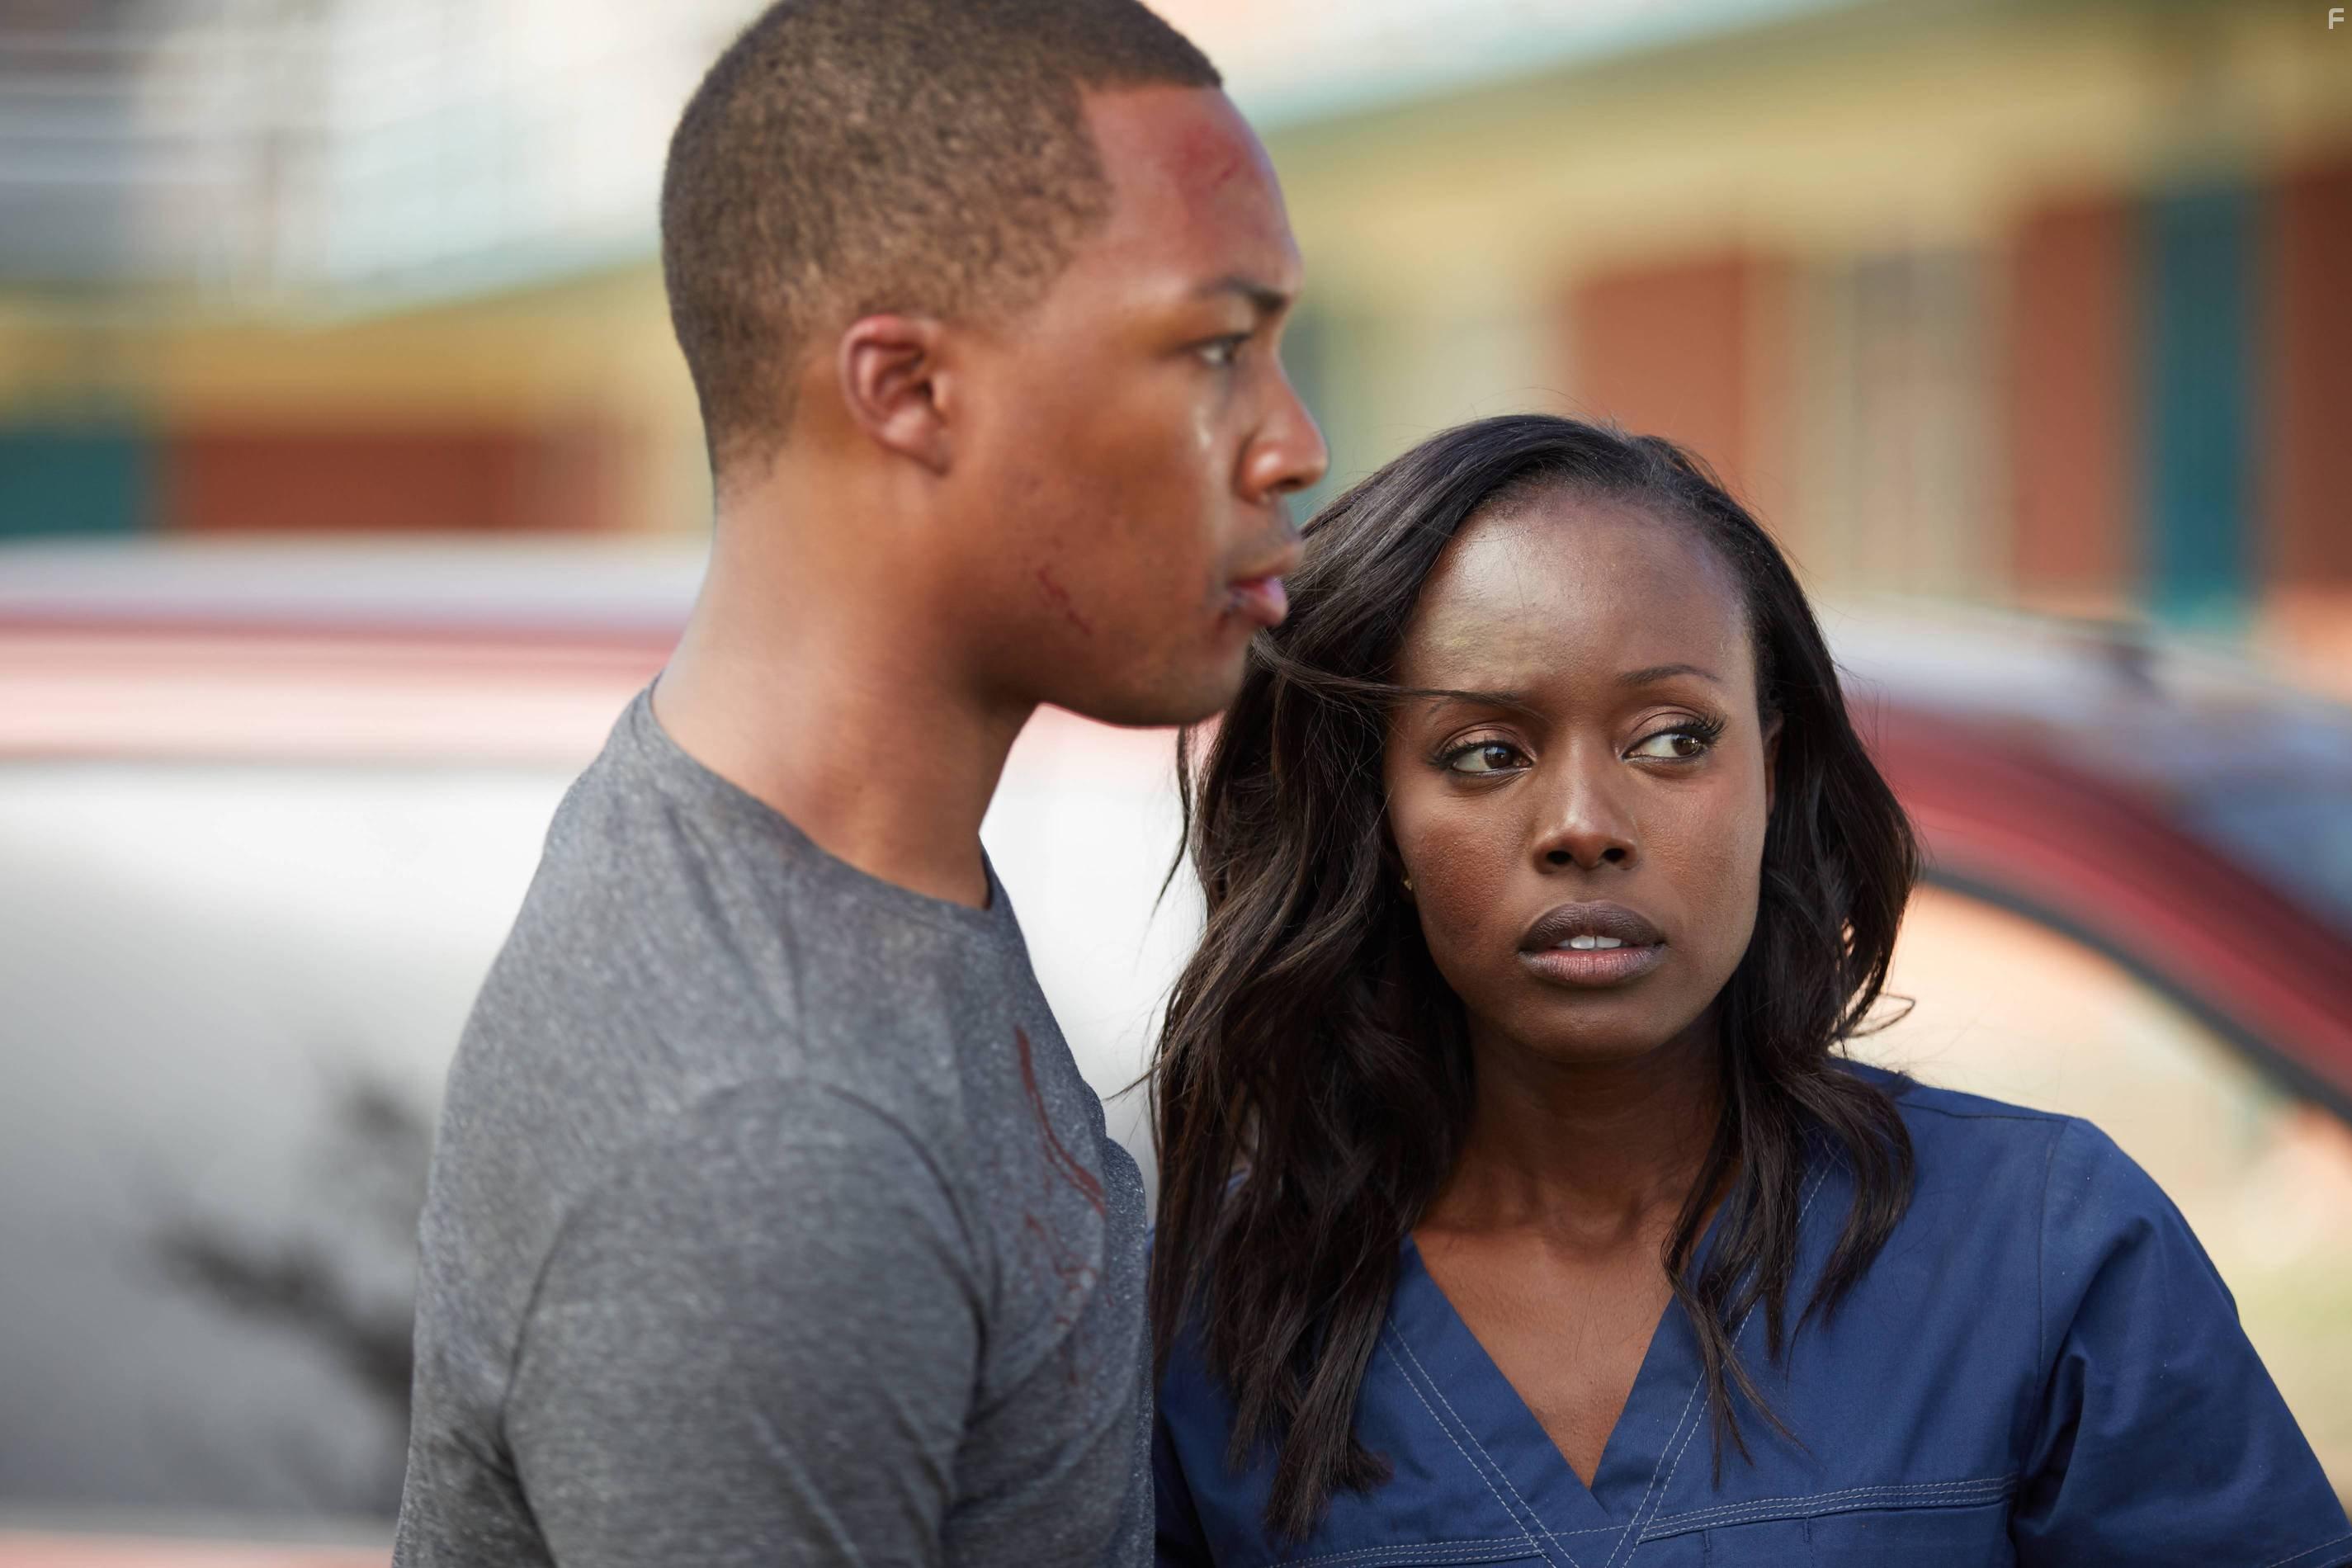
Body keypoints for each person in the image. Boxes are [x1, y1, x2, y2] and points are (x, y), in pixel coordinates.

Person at [393, 0, 1325, 1562]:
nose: (1290, 444)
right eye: (1215, 349)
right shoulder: (766, 1133)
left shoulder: (846, 868)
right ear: (905, 392)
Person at [1148, 414, 2350, 1566]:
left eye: (1672, 738)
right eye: (1486, 754)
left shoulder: (2047, 1247)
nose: (1582, 827)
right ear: (1375, 811)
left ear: (1771, 768)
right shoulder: (1205, 1317)